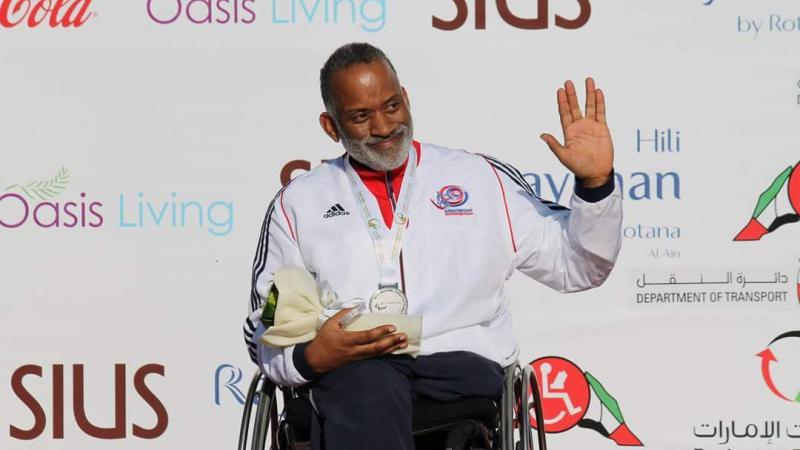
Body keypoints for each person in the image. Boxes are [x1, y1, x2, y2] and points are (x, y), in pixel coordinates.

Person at [243, 42, 622, 450]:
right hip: (350, 373)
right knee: (366, 378)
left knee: (369, 385)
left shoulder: (480, 179)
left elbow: (579, 266)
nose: (385, 127)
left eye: (391, 106)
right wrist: (309, 357)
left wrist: (596, 187)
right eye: (361, 116)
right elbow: (269, 320)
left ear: (406, 98)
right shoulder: (299, 204)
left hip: (458, 369)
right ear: (331, 126)